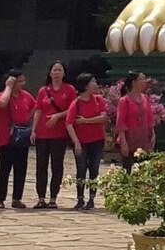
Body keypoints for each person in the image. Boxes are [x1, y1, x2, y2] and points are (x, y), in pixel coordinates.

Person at [32, 61, 77, 209]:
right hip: (43, 133)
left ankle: (53, 197)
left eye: (60, 70)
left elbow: (72, 109)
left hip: (59, 133)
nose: (57, 73)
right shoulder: (43, 91)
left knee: (57, 166)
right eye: (54, 70)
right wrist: (33, 130)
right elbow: (38, 110)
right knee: (41, 166)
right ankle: (41, 197)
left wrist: (57, 116)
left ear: (64, 73)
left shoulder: (69, 90)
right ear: (50, 73)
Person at [0, 69, 34, 209]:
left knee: (20, 168)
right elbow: (2, 103)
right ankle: (0, 199)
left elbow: (36, 106)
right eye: (19, 81)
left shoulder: (26, 96)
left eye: (23, 80)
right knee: (4, 169)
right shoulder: (2, 95)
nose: (22, 83)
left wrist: (27, 118)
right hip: (5, 138)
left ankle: (17, 198)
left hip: (21, 137)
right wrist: (8, 87)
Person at [68, 73, 108, 211]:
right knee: (81, 169)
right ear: (85, 85)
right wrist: (76, 142)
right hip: (82, 141)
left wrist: (85, 121)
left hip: (97, 140)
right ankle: (80, 198)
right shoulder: (76, 103)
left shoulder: (99, 100)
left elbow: (103, 118)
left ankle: (92, 198)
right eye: (93, 82)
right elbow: (69, 123)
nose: (96, 84)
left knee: (94, 170)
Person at [113, 71, 157, 168]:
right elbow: (120, 123)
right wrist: (123, 143)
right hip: (129, 141)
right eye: (142, 79)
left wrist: (153, 135)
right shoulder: (124, 101)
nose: (145, 81)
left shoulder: (145, 98)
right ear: (134, 82)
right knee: (128, 170)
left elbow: (150, 118)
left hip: (144, 140)